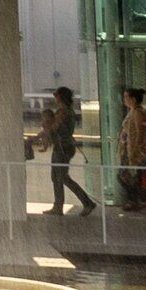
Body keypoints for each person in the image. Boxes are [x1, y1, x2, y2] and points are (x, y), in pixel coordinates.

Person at [41, 83, 94, 216]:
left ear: (61, 97)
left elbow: (53, 127)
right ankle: (61, 205)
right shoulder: (68, 110)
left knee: (61, 177)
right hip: (65, 147)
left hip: (62, 148)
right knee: (59, 177)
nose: (55, 98)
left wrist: (45, 127)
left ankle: (80, 203)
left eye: (56, 96)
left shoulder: (63, 111)